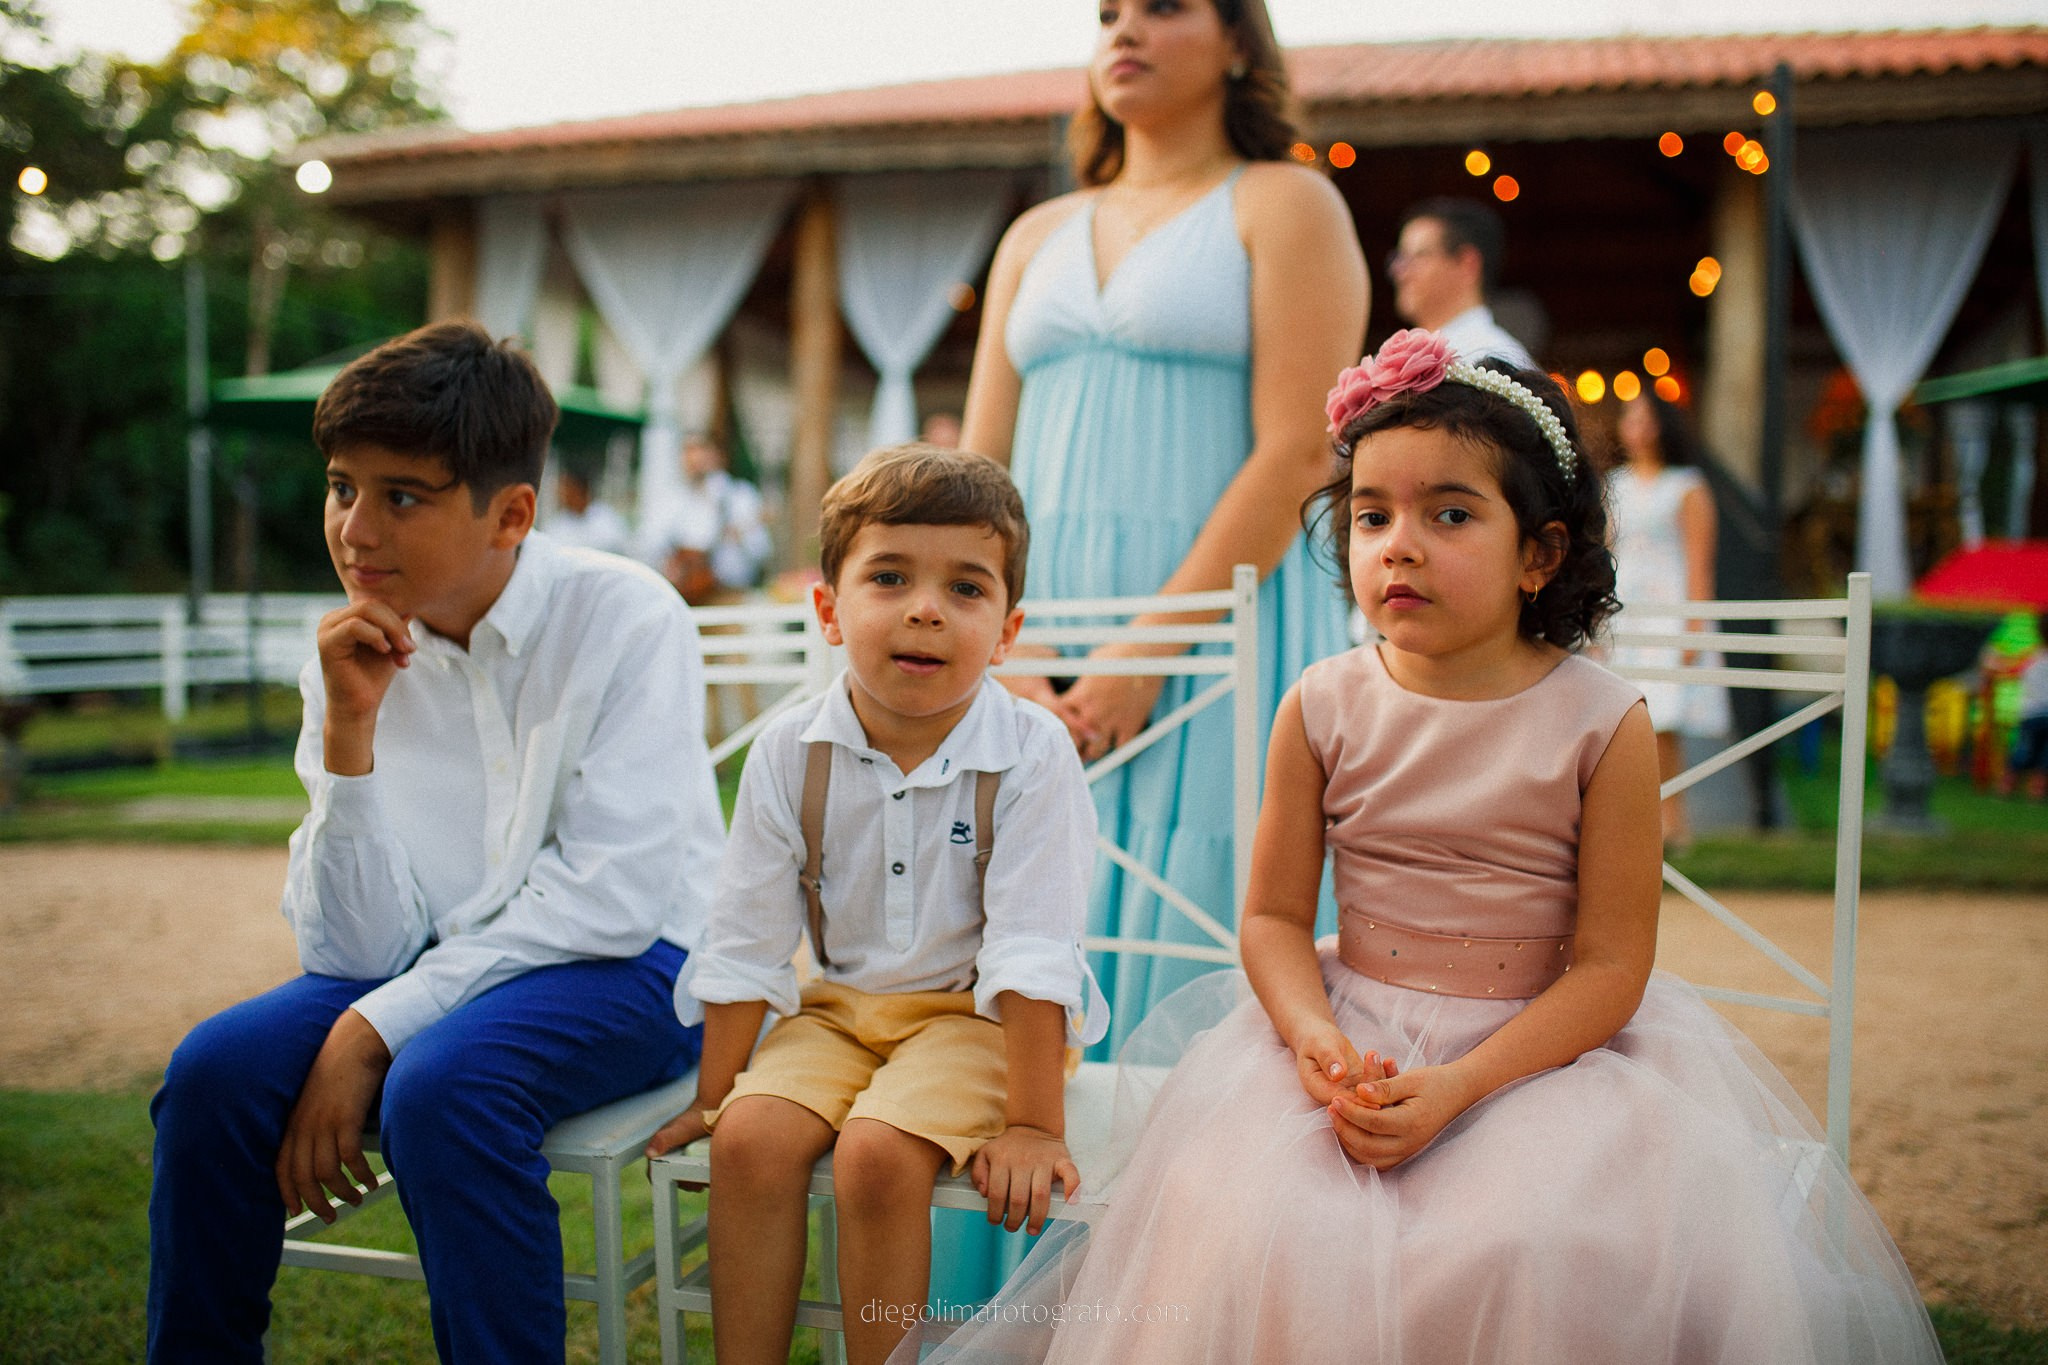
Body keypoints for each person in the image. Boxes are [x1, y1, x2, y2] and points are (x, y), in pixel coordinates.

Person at [906, 331, 1942, 1365]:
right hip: (1347, 1036)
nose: (1396, 544)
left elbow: (1614, 966)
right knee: (1245, 1215)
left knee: (1528, 1245)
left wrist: (1456, 1088)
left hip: (1543, 1058)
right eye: (1370, 516)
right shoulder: (1320, 704)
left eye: (1448, 513)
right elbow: (1269, 918)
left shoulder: (1602, 720)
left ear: (1539, 552)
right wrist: (1310, 1038)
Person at [146, 322, 724, 1364]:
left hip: (641, 965)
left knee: (446, 1087)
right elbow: (354, 952)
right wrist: (349, 737)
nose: (354, 530)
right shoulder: (353, 646)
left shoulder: (626, 618)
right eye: (340, 487)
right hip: (438, 958)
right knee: (212, 1072)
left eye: (399, 496)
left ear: (510, 514)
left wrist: (373, 1030)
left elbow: (611, 900)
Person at [646, 445, 1108, 1365]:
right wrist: (713, 1096)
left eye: (966, 589)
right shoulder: (789, 752)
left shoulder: (1031, 752)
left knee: (876, 1156)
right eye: (889, 577)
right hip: (841, 1013)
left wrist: (1032, 1122)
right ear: (828, 609)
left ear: (1008, 630)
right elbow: (747, 938)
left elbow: (1032, 948)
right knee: (749, 1138)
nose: (926, 607)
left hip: (974, 1020)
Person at [961, 0, 1366, 1045]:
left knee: (1205, 912)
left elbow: (1296, 448)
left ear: (1238, 40)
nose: (1121, 31)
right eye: (1104, 14)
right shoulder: (1033, 234)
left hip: (1225, 627)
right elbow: (973, 471)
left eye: (1162, 8)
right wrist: (1008, 639)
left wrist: (1146, 652)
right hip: (1033, 647)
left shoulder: (1285, 203)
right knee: (1030, 925)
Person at [1607, 389, 1729, 847]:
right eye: (1629, 418)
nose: (1636, 427)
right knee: (1621, 717)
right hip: (1625, 609)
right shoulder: (1614, 485)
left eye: (1644, 418)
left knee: (1663, 721)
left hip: (1668, 610)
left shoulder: (1687, 486)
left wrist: (1694, 626)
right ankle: (1627, 824)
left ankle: (1674, 824)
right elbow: (1605, 551)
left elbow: (1700, 560)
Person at [1387, 196, 1537, 369]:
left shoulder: (1493, 358)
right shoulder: (1400, 355)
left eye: (1419, 256)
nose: (1399, 272)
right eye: (1400, 258)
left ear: (1467, 264)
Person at [640, 432, 771, 605]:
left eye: (700, 450)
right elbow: (647, 545)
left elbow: (762, 551)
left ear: (717, 455)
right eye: (688, 451)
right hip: (680, 597)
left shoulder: (739, 496)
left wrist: (740, 537)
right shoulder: (669, 499)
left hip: (728, 596)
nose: (694, 459)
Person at [546, 467, 631, 556]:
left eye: (566, 488)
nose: (561, 494)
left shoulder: (608, 519)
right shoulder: (557, 524)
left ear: (581, 489)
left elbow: (618, 550)